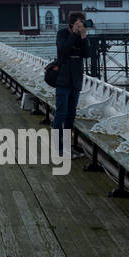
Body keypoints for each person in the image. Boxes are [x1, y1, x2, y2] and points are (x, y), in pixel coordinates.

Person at [53, 12, 94, 158]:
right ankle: (58, 148)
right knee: (61, 113)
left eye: (82, 22)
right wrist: (74, 34)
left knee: (70, 115)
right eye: (78, 23)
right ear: (71, 23)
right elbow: (63, 50)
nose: (80, 25)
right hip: (63, 78)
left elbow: (87, 54)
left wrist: (83, 37)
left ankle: (67, 147)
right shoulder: (62, 33)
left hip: (76, 78)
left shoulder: (81, 35)